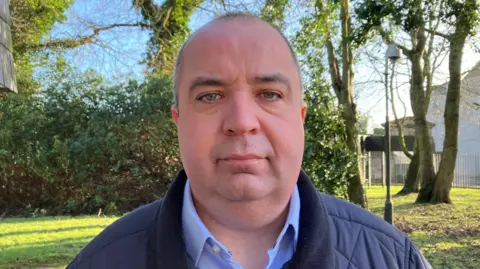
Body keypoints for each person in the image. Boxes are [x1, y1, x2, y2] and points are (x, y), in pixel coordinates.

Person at [66, 13, 431, 269]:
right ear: (178, 121)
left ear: (300, 119)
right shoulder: (98, 262)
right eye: (209, 96)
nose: (242, 123)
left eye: (269, 94)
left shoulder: (394, 259)